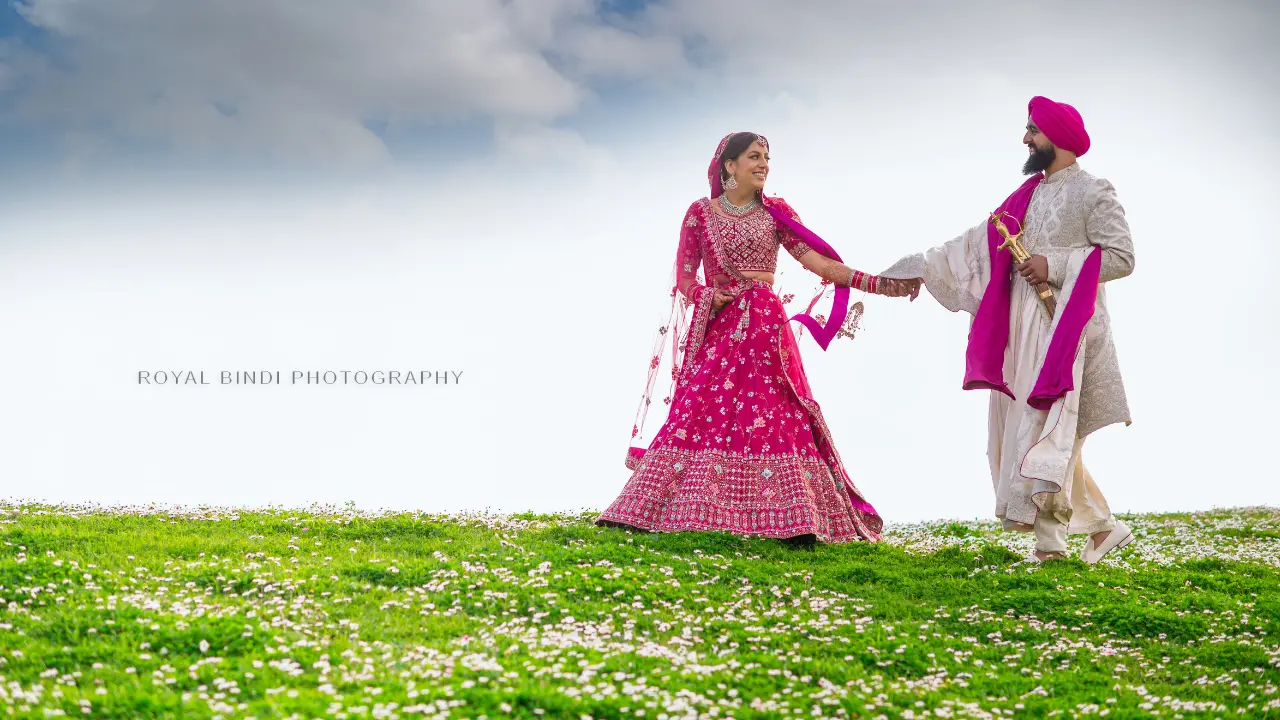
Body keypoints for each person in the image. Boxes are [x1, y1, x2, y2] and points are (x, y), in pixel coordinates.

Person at [597, 131, 914, 544]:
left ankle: (796, 518)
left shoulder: (776, 212)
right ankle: (668, 507)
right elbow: (685, 276)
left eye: (767, 157)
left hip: (766, 326)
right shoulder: (700, 214)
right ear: (729, 165)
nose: (764, 164)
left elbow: (817, 262)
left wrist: (876, 284)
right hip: (723, 326)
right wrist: (705, 296)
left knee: (776, 413)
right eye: (754, 157)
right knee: (700, 411)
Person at [881, 97, 1135, 563]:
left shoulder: (1095, 191)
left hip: (1067, 328)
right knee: (1031, 429)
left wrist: (1052, 264)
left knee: (1046, 429)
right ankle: (1100, 527)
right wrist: (914, 269)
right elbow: (975, 246)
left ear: (1055, 136)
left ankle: (1052, 547)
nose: (1025, 139)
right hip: (1021, 330)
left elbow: (1121, 257)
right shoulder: (1026, 197)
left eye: (1033, 130)